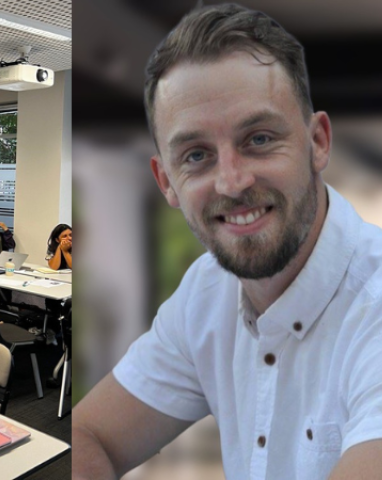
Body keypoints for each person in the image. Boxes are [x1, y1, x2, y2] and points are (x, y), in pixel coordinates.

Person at [73, 5, 382, 479]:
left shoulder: (373, 305)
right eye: (196, 155)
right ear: (167, 182)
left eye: (258, 138)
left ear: (317, 141)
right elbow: (90, 436)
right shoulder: (206, 292)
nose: (232, 182)